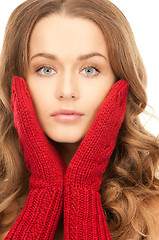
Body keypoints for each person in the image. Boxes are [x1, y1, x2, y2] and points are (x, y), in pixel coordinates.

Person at [0, 0, 159, 239]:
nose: (66, 91)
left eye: (89, 70)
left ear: (120, 82)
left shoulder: (153, 215)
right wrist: (45, 188)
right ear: (15, 83)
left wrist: (83, 190)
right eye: (45, 69)